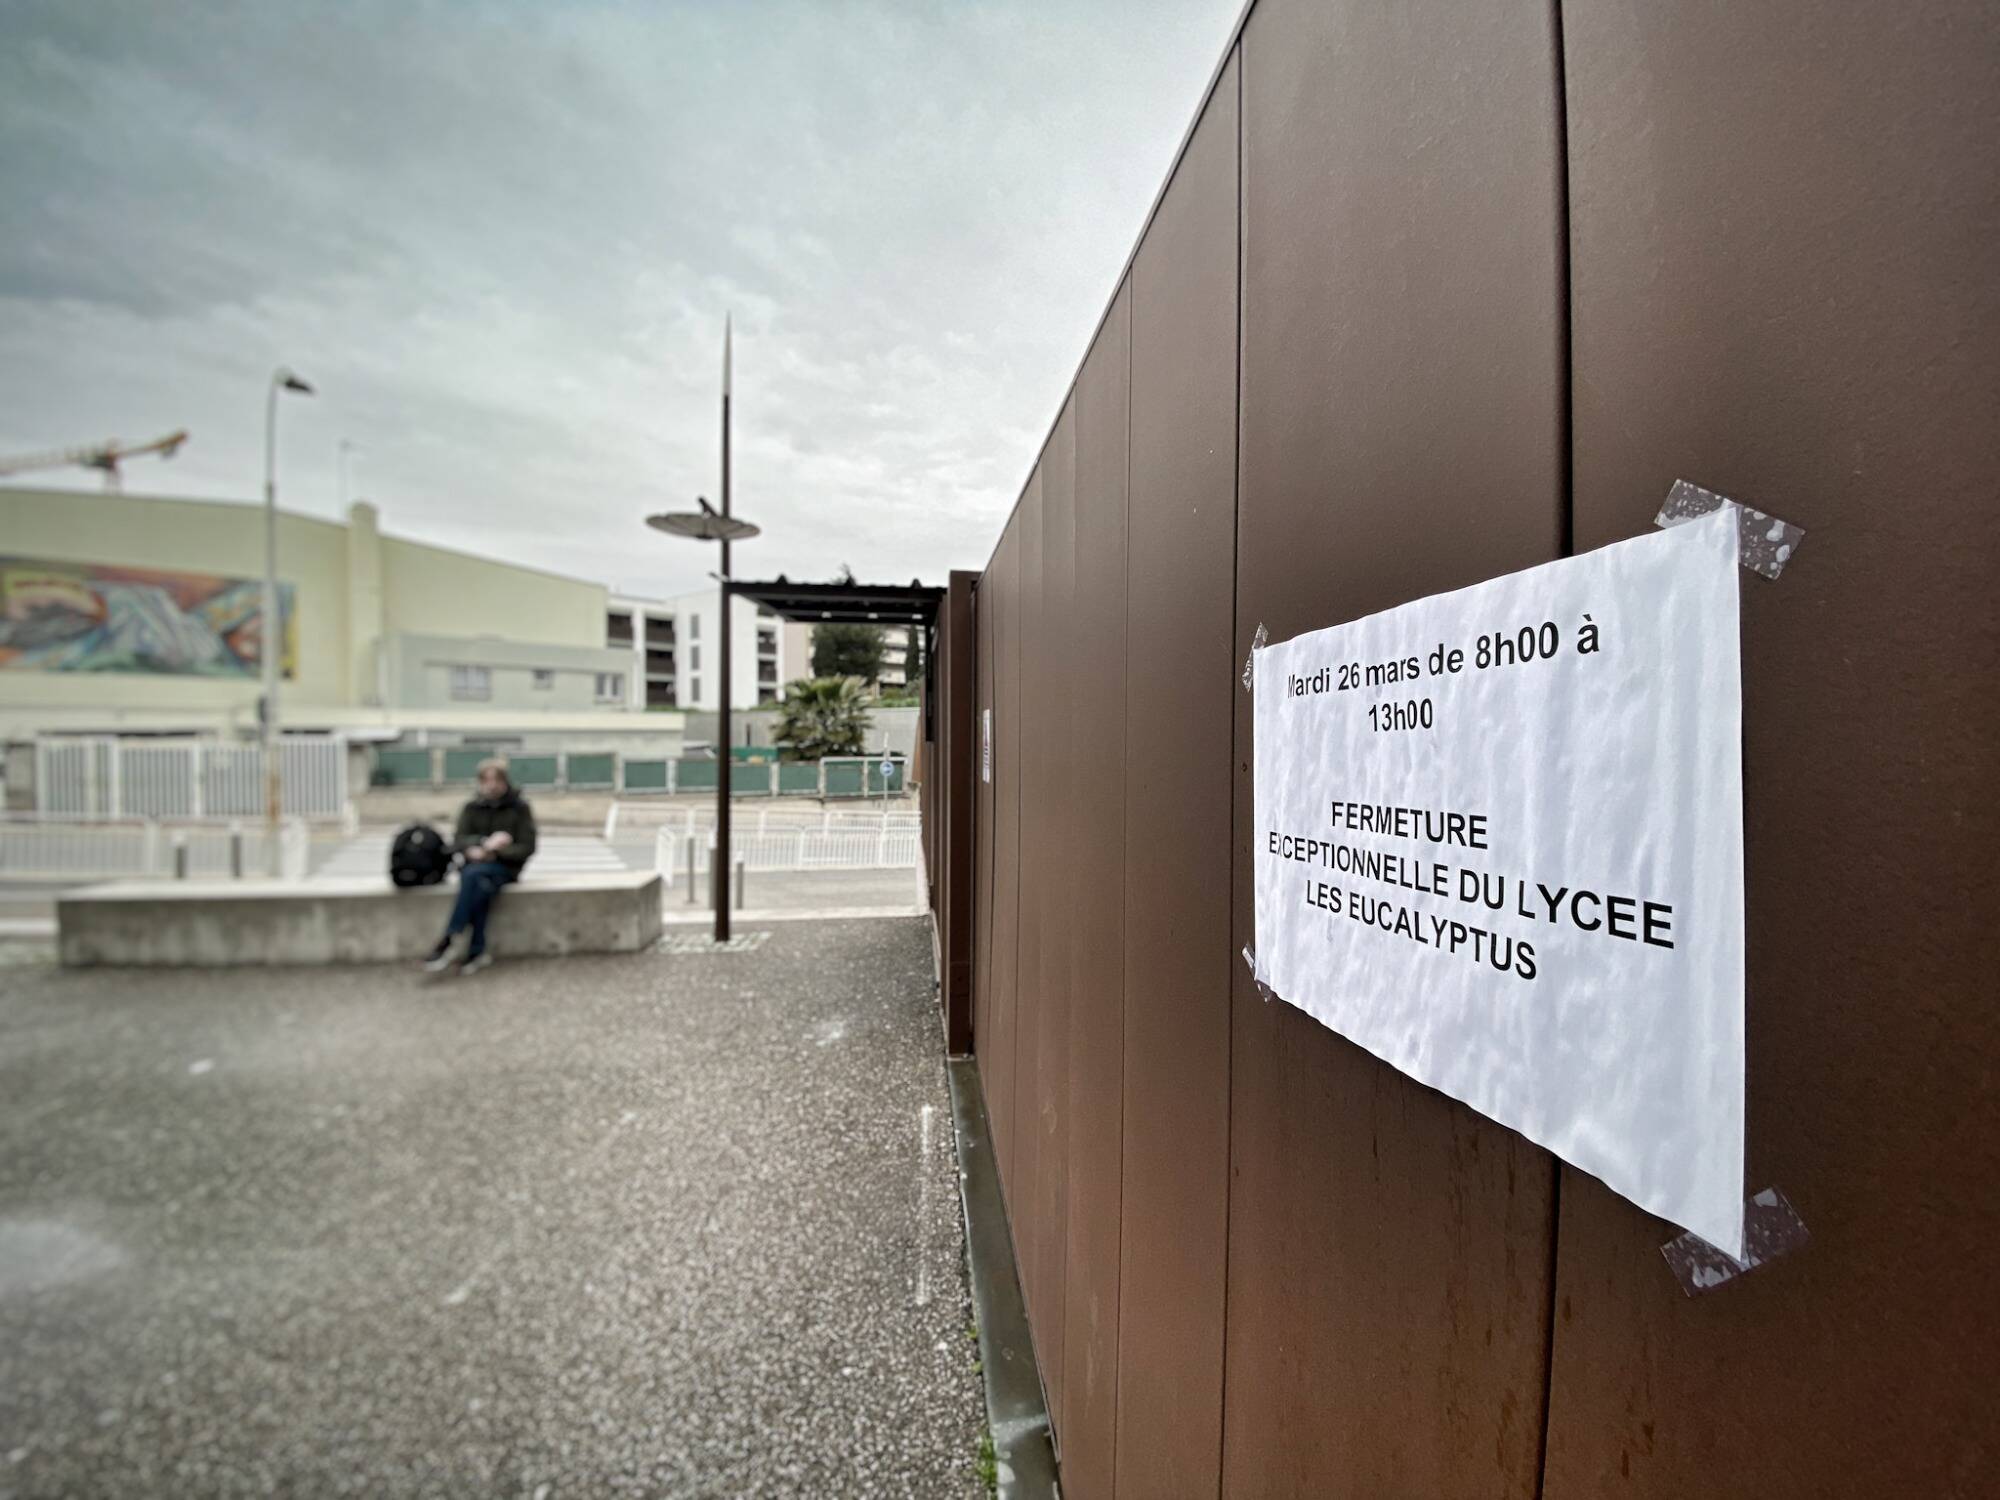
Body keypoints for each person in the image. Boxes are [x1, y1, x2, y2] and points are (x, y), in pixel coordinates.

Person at [422, 758, 537, 974]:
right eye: (486, 780)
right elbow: (459, 839)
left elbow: (527, 847)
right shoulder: (472, 807)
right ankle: (476, 951)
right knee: (479, 885)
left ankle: (450, 937)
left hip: (505, 868)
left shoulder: (519, 808)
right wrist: (481, 845)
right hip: (476, 867)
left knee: (474, 876)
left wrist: (497, 851)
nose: (491, 785)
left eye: (496, 780)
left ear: (505, 782)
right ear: (480, 782)